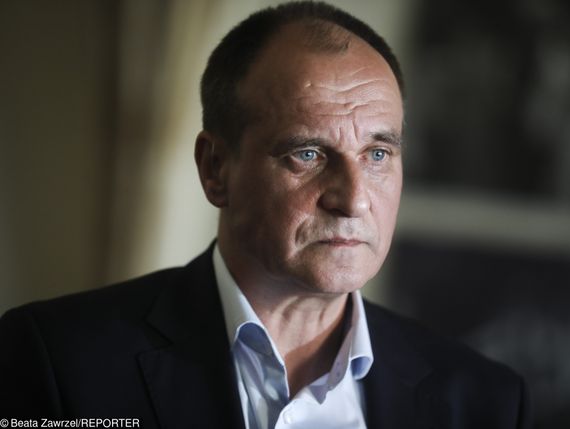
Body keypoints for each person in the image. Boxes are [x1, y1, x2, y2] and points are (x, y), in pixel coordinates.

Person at [0, 2, 530, 428]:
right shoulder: (57, 361)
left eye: (377, 154)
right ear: (216, 169)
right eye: (308, 154)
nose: (353, 200)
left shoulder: (485, 402)